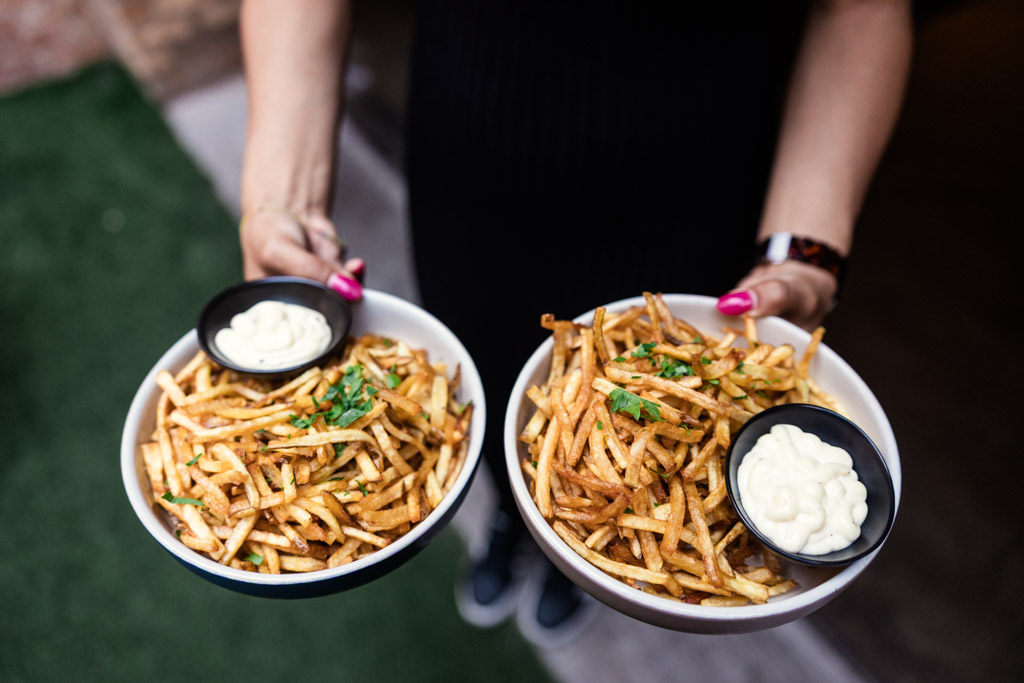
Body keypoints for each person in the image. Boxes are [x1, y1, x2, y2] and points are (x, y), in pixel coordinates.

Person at [237, 0, 911, 645]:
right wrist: (283, 203)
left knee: (685, 433)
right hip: (471, 158)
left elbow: (860, 9)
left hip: (698, 176)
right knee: (489, 393)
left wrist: (805, 249)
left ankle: (589, 560)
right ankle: (513, 512)